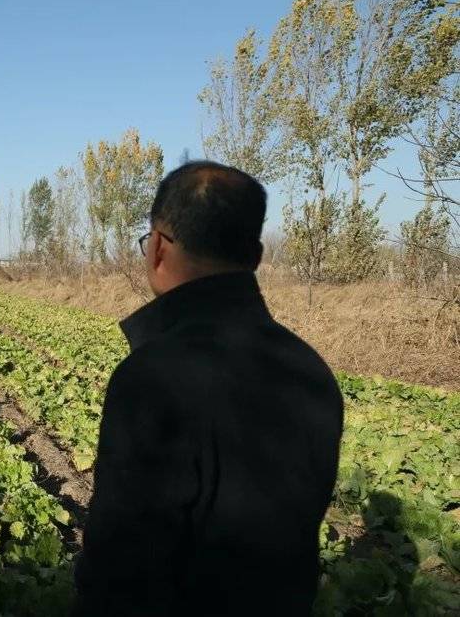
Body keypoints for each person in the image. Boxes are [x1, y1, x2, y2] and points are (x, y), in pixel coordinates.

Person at [73, 161, 344, 616]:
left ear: (157, 247)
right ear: (256, 258)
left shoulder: (152, 378)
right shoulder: (312, 372)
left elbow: (119, 573)